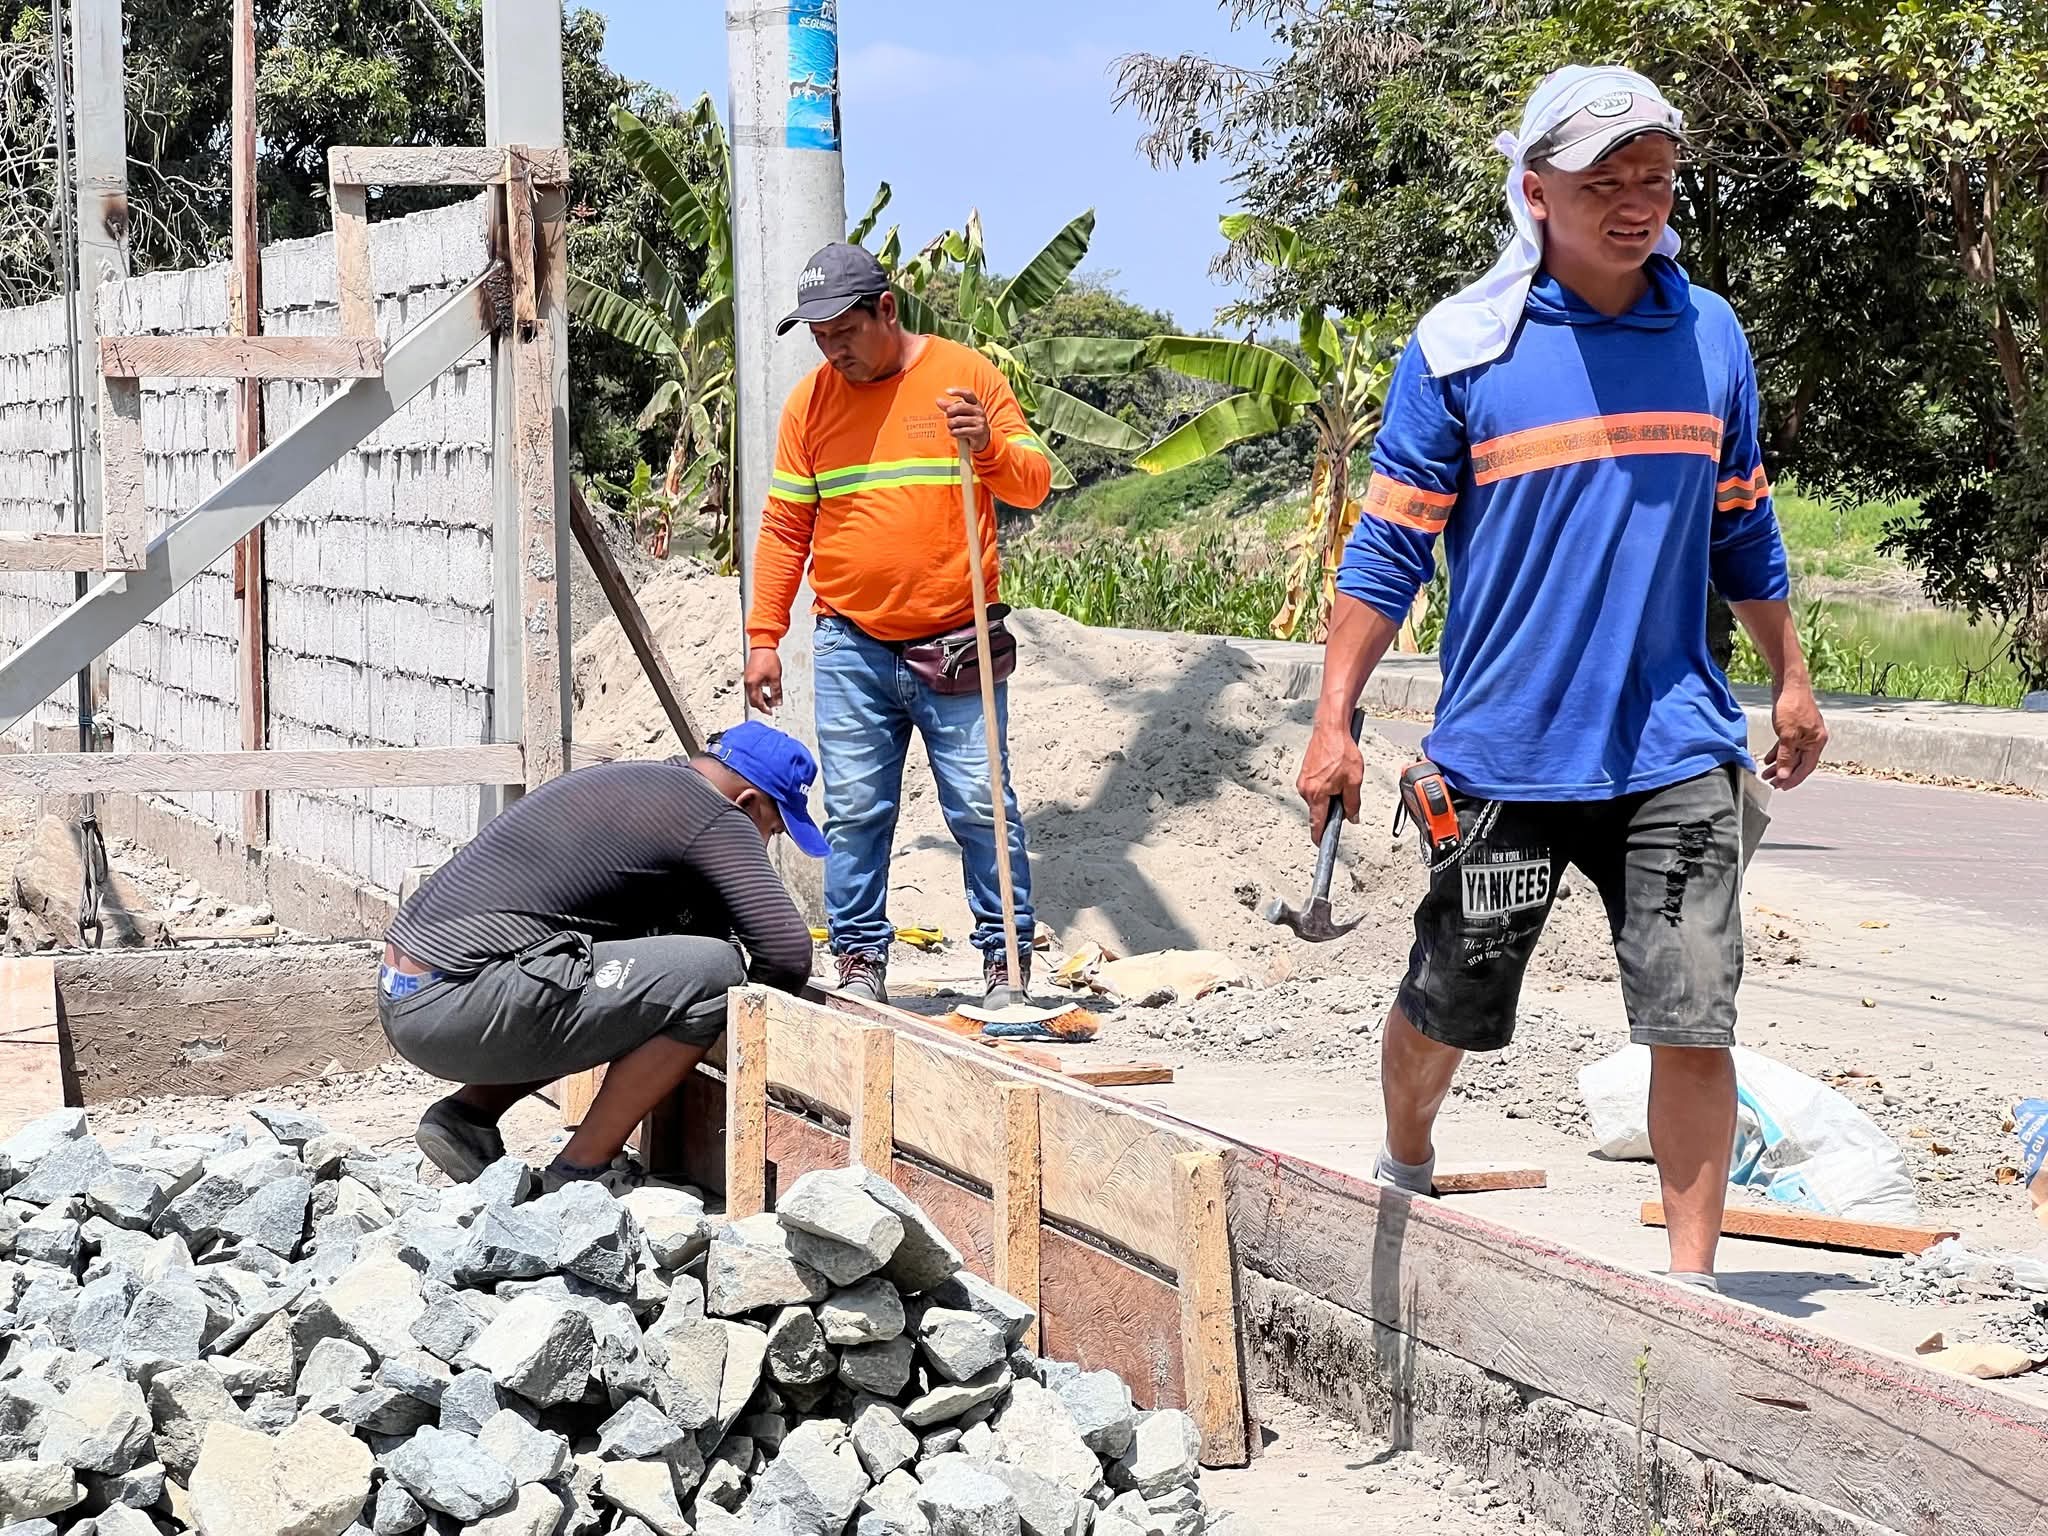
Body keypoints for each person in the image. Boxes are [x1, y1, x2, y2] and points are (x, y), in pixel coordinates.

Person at [1297, 66, 1828, 1291]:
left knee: (1692, 1016)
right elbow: (1386, 551)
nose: (1636, 203)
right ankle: (1404, 1158)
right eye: (1605, 183)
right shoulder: (1462, 349)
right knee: (1452, 998)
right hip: (1506, 753)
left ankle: (1691, 1293)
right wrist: (1333, 722)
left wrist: (1790, 676)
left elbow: (1741, 524)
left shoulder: (1707, 336)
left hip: (1673, 746)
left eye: (1655, 179)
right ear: (1534, 193)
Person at [744, 242, 1052, 1007]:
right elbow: (785, 527)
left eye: (844, 332)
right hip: (850, 643)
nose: (833, 351)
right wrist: (764, 637)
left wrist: (987, 447)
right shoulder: (810, 405)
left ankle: (1006, 961)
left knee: (980, 804)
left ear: (887, 309)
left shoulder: (965, 377)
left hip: (957, 641)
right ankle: (859, 961)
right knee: (855, 809)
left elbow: (1033, 484)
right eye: (820, 338)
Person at [380, 722, 823, 1191]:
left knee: (636, 981)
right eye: (773, 830)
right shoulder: (715, 812)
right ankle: (583, 1171)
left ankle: (468, 1117)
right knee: (715, 970)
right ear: (749, 802)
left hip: (412, 996)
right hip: (458, 1005)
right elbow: (787, 954)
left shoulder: (648, 790)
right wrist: (755, 1042)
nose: (765, 843)